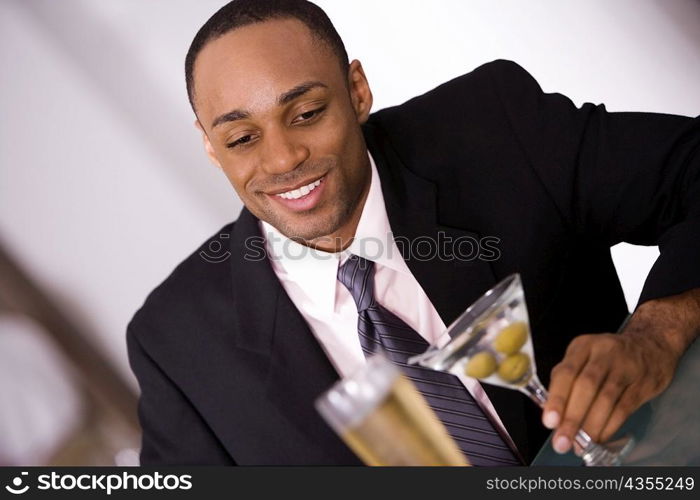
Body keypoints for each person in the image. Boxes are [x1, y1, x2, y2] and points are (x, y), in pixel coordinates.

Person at [126, 0, 700, 465]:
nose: (283, 159)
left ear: (357, 92)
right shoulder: (175, 344)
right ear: (209, 146)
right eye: (241, 139)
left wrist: (658, 333)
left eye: (305, 113)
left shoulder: (494, 128)